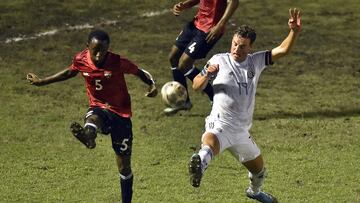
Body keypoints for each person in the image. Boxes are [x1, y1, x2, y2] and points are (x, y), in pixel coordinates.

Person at [26, 29, 158, 203]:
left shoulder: (116, 61)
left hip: (121, 114)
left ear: (108, 49)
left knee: (124, 167)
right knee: (92, 117)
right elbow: (69, 72)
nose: (97, 55)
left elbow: (139, 71)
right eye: (94, 50)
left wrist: (152, 85)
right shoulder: (81, 60)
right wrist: (42, 81)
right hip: (99, 106)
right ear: (87, 46)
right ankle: (89, 135)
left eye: (102, 51)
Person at [188, 8, 302, 203]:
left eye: (242, 46)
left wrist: (294, 31)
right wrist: (206, 73)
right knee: (209, 145)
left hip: (241, 131)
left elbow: (283, 50)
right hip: (220, 124)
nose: (236, 49)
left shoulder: (255, 62)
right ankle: (198, 164)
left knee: (259, 171)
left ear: (250, 47)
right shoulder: (219, 60)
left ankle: (254, 192)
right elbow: (196, 86)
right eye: (234, 44)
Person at [165, 0, 239, 114]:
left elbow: (234, 2)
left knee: (184, 64)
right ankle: (184, 102)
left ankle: (215, 98)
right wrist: (185, 4)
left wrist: (220, 24)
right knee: (173, 57)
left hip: (210, 29)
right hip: (196, 23)